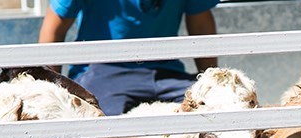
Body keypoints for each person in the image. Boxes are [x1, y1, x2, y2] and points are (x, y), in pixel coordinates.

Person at [38, 0, 220, 115]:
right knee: (99, 123)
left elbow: (201, 25)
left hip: (167, 73)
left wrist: (210, 83)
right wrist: (51, 92)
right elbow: (54, 28)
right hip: (102, 70)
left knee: (213, 107)